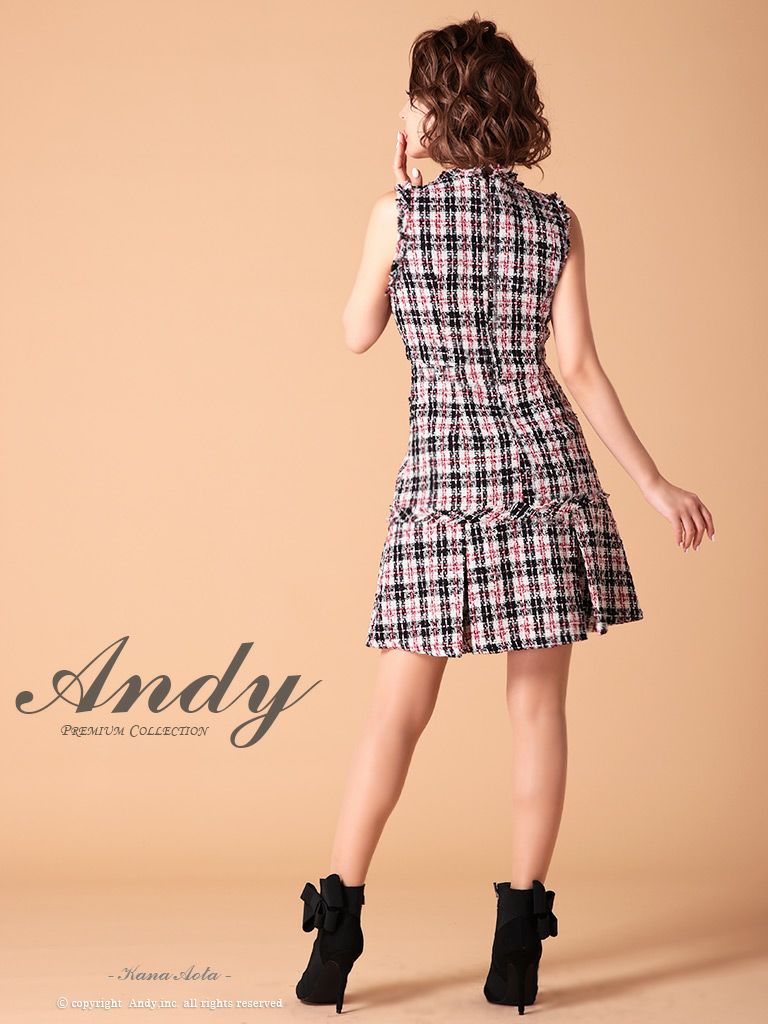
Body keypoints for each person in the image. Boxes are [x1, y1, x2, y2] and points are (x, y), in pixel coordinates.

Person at [295, 14, 715, 1015]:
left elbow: (355, 332)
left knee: (395, 716)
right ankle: (518, 950)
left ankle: (335, 935)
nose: (402, 111)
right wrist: (654, 484)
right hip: (544, 479)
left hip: (444, 488)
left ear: (437, 112)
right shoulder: (556, 221)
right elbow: (579, 369)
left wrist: (401, 196)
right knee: (538, 714)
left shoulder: (397, 215)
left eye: (412, 96)